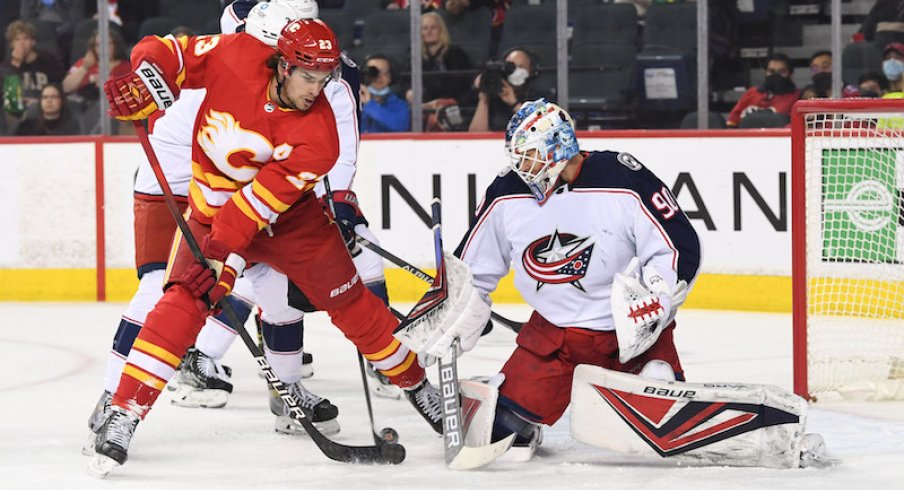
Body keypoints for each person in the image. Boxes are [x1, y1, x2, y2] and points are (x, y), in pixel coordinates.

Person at [88, 18, 444, 476]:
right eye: (307, 77)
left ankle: (418, 386)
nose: (316, 90)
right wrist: (144, 76)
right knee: (180, 301)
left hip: (291, 224)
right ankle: (124, 413)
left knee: (353, 304)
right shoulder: (234, 54)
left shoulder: (319, 136)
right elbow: (165, 51)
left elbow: (253, 208)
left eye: (324, 79)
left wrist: (219, 255)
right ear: (281, 65)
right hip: (211, 211)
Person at [468, 47, 551, 132]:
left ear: (532, 70)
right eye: (511, 67)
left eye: (521, 66)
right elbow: (475, 137)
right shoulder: (494, 97)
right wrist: (484, 98)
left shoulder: (539, 98)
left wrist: (514, 103)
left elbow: (542, 131)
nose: (515, 71)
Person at [0, 20, 65, 126]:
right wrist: (16, 64)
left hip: (45, 107)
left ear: (33, 42)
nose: (22, 43)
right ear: (12, 44)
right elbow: (11, 100)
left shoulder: (48, 60)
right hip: (17, 112)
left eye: (25, 39)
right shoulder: (6, 67)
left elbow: (59, 88)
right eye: (17, 40)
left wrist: (39, 102)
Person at [405, 12, 472, 111]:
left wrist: (435, 101)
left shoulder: (456, 54)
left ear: (441, 30)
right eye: (425, 28)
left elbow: (459, 85)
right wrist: (408, 92)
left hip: (449, 104)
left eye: (433, 28)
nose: (429, 31)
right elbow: (404, 81)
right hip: (421, 104)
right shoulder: (413, 56)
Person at [726, 53, 799, 128]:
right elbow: (732, 122)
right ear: (765, 72)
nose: (776, 76)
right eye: (771, 71)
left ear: (791, 74)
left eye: (781, 72)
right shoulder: (751, 93)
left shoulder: (797, 97)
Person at [62, 29, 131, 103]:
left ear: (116, 45)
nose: (102, 48)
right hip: (84, 106)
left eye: (107, 44)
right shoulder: (83, 63)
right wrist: (84, 68)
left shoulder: (127, 67)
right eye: (98, 45)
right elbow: (66, 88)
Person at [361, 53, 410, 132]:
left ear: (390, 76)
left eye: (384, 72)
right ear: (366, 75)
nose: (379, 77)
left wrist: (370, 104)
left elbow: (400, 126)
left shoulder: (400, 104)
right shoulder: (352, 101)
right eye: (374, 72)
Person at [11, 83, 81, 135]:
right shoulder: (27, 128)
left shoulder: (72, 127)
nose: (49, 101)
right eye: (45, 97)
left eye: (53, 97)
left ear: (62, 101)